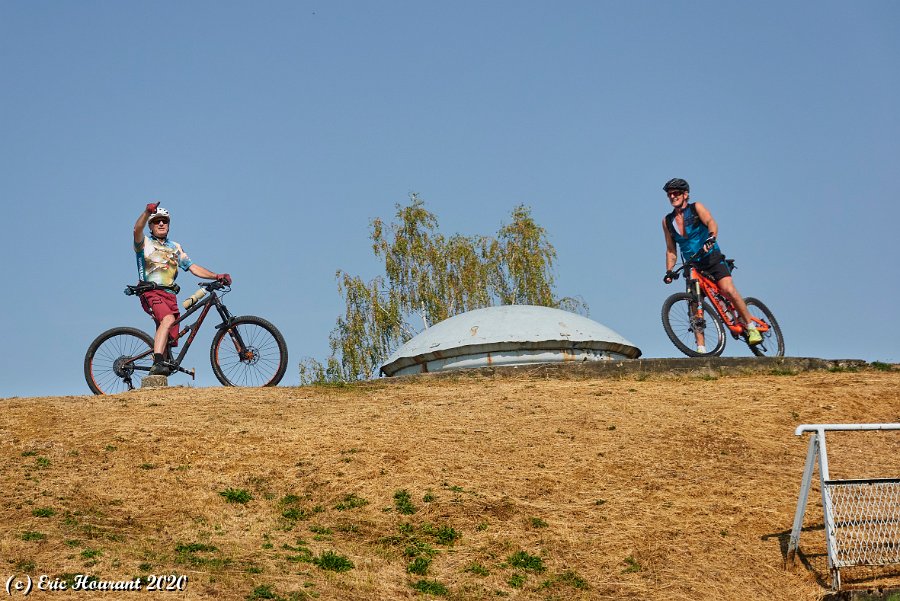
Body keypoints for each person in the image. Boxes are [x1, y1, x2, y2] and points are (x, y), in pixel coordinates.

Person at [661, 178, 761, 351]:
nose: (672, 196)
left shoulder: (696, 207)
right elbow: (671, 249)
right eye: (669, 194)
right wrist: (669, 271)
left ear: (685, 195)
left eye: (676, 193)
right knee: (694, 305)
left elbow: (711, 222)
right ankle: (701, 348)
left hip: (711, 257)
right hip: (692, 265)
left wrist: (711, 237)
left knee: (728, 289)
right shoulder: (667, 221)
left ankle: (751, 327)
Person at [133, 203, 231, 375]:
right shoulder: (144, 243)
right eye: (157, 221)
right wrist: (147, 212)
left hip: (170, 295)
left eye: (164, 221)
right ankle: (157, 362)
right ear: (151, 226)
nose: (161, 224)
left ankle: (160, 369)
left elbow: (192, 268)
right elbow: (136, 229)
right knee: (168, 319)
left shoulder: (175, 247)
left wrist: (216, 276)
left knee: (170, 335)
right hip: (151, 291)